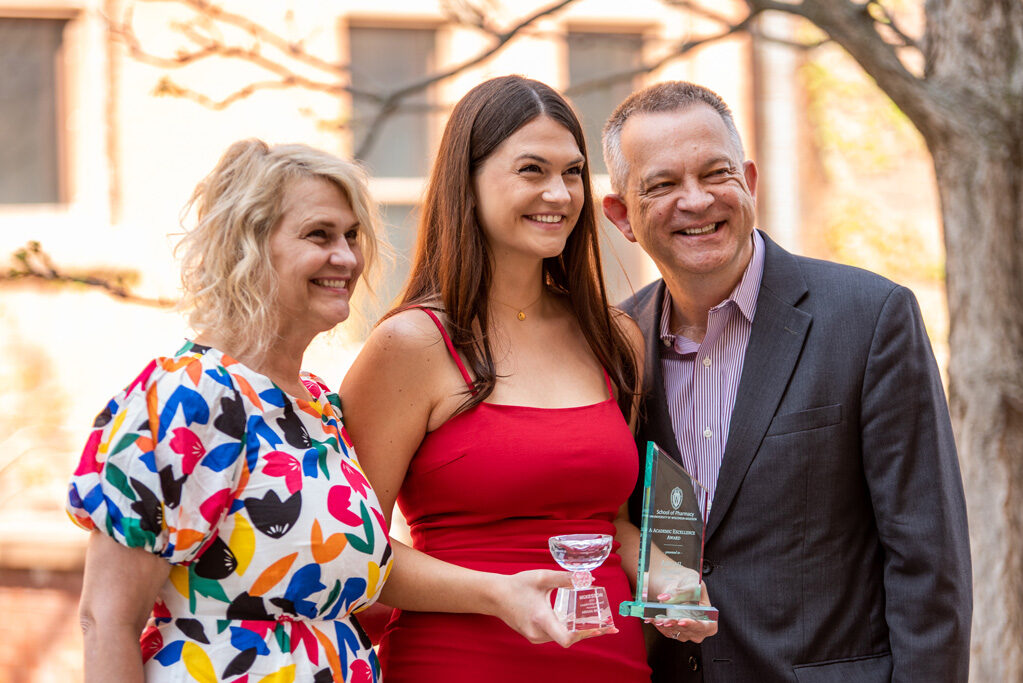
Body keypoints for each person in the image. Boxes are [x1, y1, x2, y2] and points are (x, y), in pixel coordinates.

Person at [601, 81, 972, 682]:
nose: (695, 201)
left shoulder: (870, 318)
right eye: (663, 185)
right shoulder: (614, 345)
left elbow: (929, 561)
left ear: (749, 180)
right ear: (621, 215)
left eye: (715, 173)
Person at [340, 75, 663, 682]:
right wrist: (495, 594)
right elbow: (352, 552)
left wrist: (662, 569)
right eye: (532, 170)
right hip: (460, 664)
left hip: (613, 666)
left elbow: (611, 524)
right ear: (468, 181)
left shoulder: (614, 338)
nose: (559, 193)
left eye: (572, 172)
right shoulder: (410, 345)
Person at [68, 140, 393, 682]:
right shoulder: (187, 396)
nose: (348, 257)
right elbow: (106, 620)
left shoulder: (317, 407)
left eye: (352, 235)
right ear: (248, 244)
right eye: (320, 234)